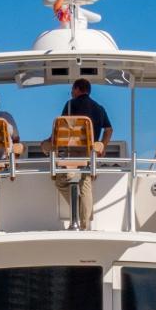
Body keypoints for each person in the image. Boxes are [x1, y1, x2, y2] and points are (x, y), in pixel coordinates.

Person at [52, 79, 112, 226]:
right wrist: (102, 146)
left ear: (78, 89)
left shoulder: (71, 105)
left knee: (60, 181)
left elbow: (60, 129)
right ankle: (85, 225)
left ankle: (79, 212)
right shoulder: (99, 108)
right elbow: (109, 130)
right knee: (85, 184)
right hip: (90, 153)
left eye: (72, 90)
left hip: (71, 153)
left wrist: (49, 142)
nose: (72, 93)